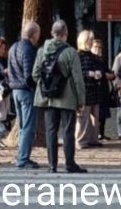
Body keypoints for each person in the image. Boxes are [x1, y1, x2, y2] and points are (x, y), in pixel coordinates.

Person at [32, 20, 87, 173]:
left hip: (47, 99)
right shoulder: (71, 52)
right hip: (67, 98)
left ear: (52, 33)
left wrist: (47, 87)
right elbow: (78, 78)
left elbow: (35, 74)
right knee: (68, 131)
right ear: (66, 34)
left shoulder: (42, 51)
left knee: (51, 131)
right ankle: (70, 164)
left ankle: (52, 165)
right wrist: (81, 100)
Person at [8, 22, 41, 169]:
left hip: (15, 90)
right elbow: (29, 75)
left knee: (22, 126)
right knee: (28, 126)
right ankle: (23, 159)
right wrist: (38, 88)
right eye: (38, 34)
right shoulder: (29, 50)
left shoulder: (13, 47)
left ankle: (22, 156)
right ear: (34, 34)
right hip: (26, 92)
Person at [75, 30, 103, 149]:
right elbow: (76, 72)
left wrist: (98, 73)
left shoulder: (94, 57)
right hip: (84, 90)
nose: (91, 42)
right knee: (83, 118)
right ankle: (81, 140)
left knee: (95, 118)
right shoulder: (77, 55)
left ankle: (93, 139)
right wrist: (88, 74)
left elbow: (100, 67)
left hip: (95, 90)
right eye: (90, 40)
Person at [91, 39, 115, 141]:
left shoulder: (102, 60)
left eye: (100, 47)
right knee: (95, 114)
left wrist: (111, 75)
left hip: (104, 90)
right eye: (96, 47)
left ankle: (102, 132)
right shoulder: (90, 59)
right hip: (94, 89)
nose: (98, 49)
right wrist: (104, 75)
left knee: (103, 114)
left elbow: (109, 72)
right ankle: (94, 133)